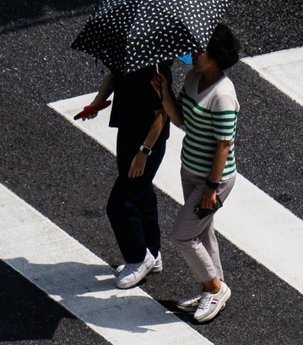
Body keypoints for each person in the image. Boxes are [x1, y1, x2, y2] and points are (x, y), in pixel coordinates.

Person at [152, 24, 240, 323]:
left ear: (215, 56)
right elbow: (181, 120)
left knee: (182, 236)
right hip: (189, 169)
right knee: (202, 231)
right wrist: (164, 89)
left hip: (213, 179)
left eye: (198, 51)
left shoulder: (223, 96)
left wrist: (212, 187)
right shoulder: (193, 78)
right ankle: (213, 289)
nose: (192, 55)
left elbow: (223, 145)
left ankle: (214, 287)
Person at [75, 64, 172, 289]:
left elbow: (162, 113)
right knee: (142, 194)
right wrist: (97, 103)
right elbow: (114, 75)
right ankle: (153, 252)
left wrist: (144, 152)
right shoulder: (131, 54)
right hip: (128, 131)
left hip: (147, 144)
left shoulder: (156, 68)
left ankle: (139, 257)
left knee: (119, 205)